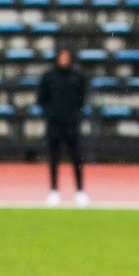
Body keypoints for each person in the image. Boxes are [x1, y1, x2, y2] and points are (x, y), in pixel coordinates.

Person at [36, 48, 88, 207]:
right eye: (61, 56)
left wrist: (75, 114)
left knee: (76, 158)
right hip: (54, 124)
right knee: (53, 158)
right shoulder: (49, 76)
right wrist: (50, 114)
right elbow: (41, 99)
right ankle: (54, 191)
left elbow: (83, 97)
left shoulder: (77, 76)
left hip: (72, 124)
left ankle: (80, 191)